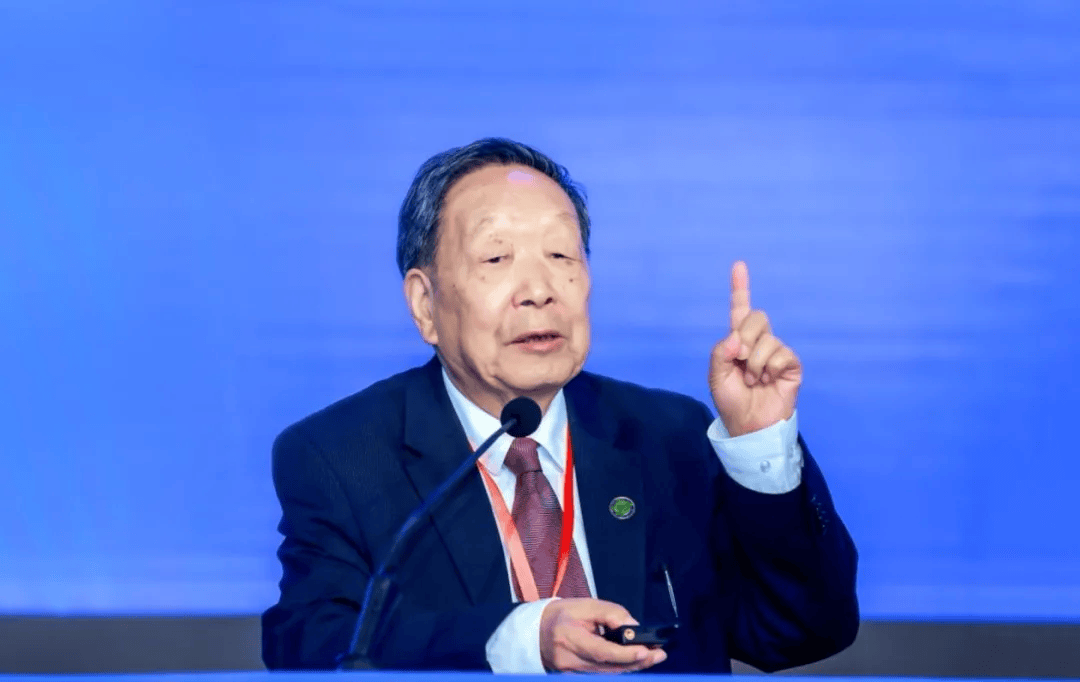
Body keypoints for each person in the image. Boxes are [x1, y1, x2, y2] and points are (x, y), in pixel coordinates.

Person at [261, 138, 859, 673]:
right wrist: (522, 641)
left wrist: (759, 446)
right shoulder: (343, 455)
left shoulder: (669, 436)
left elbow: (802, 633)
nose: (540, 291)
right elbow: (312, 646)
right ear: (424, 304)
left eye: (561, 257)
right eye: (496, 259)